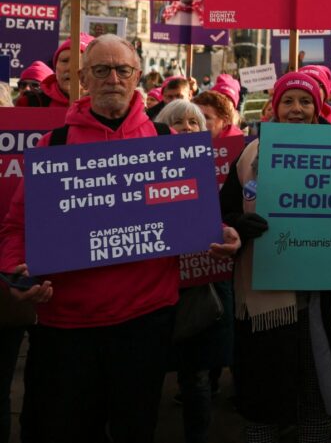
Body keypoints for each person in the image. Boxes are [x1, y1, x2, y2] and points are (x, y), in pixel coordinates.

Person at [0, 34, 238, 442]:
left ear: (137, 77)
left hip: (143, 324)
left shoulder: (167, 145)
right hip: (66, 327)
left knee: (135, 430)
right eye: (101, 69)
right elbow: (17, 228)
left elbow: (194, 218)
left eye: (122, 69)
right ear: (84, 78)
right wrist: (14, 276)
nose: (113, 78)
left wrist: (222, 233)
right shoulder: (52, 144)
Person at [223, 72, 331, 442]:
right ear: (275, 107)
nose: (296, 109)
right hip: (267, 300)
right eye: (288, 101)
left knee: (315, 397)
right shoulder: (251, 154)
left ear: (318, 109)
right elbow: (224, 213)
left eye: (305, 102)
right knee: (263, 395)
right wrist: (240, 224)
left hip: (321, 301)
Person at [156, 100, 235, 443]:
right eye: (177, 121)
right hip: (155, 287)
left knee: (197, 376)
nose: (186, 127)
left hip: (201, 287)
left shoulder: (223, 167)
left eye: (194, 122)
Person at [15, 33, 93, 107]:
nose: (70, 67)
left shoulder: (103, 106)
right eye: (64, 60)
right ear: (56, 67)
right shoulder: (30, 103)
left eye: (79, 61)